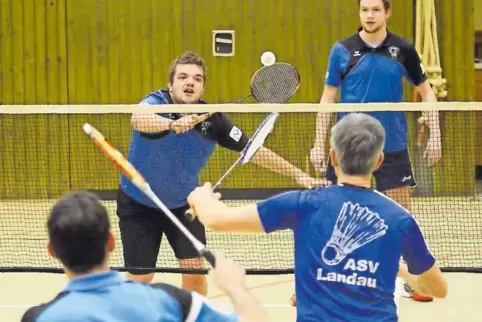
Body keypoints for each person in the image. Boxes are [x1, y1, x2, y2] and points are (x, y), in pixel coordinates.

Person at [187, 113, 448, 322]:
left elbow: (216, 219)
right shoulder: (401, 219)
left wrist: (200, 197)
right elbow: (437, 289)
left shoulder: (303, 204)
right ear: (379, 160)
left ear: (332, 158)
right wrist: (397, 269)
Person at [117, 50, 325, 296]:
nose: (190, 82)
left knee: (194, 273)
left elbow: (253, 150)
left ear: (202, 87)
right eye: (183, 77)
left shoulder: (213, 121)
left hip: (184, 206)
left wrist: (299, 175)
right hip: (139, 203)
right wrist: (171, 124)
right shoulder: (155, 103)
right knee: (141, 277)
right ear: (170, 85)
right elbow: (138, 118)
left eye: (197, 78)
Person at [309, 0, 442, 302]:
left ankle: (413, 279)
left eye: (375, 10)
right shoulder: (341, 50)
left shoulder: (403, 50)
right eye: (364, 9)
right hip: (349, 147)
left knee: (402, 216)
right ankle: (327, 280)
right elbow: (327, 98)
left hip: (391, 145)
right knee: (333, 214)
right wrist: (319, 143)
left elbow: (427, 91)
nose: (369, 15)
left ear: (387, 13)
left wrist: (435, 135)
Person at [21, 191, 269, 322]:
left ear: (51, 251)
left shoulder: (38, 318)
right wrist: (237, 289)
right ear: (111, 242)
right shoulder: (171, 302)